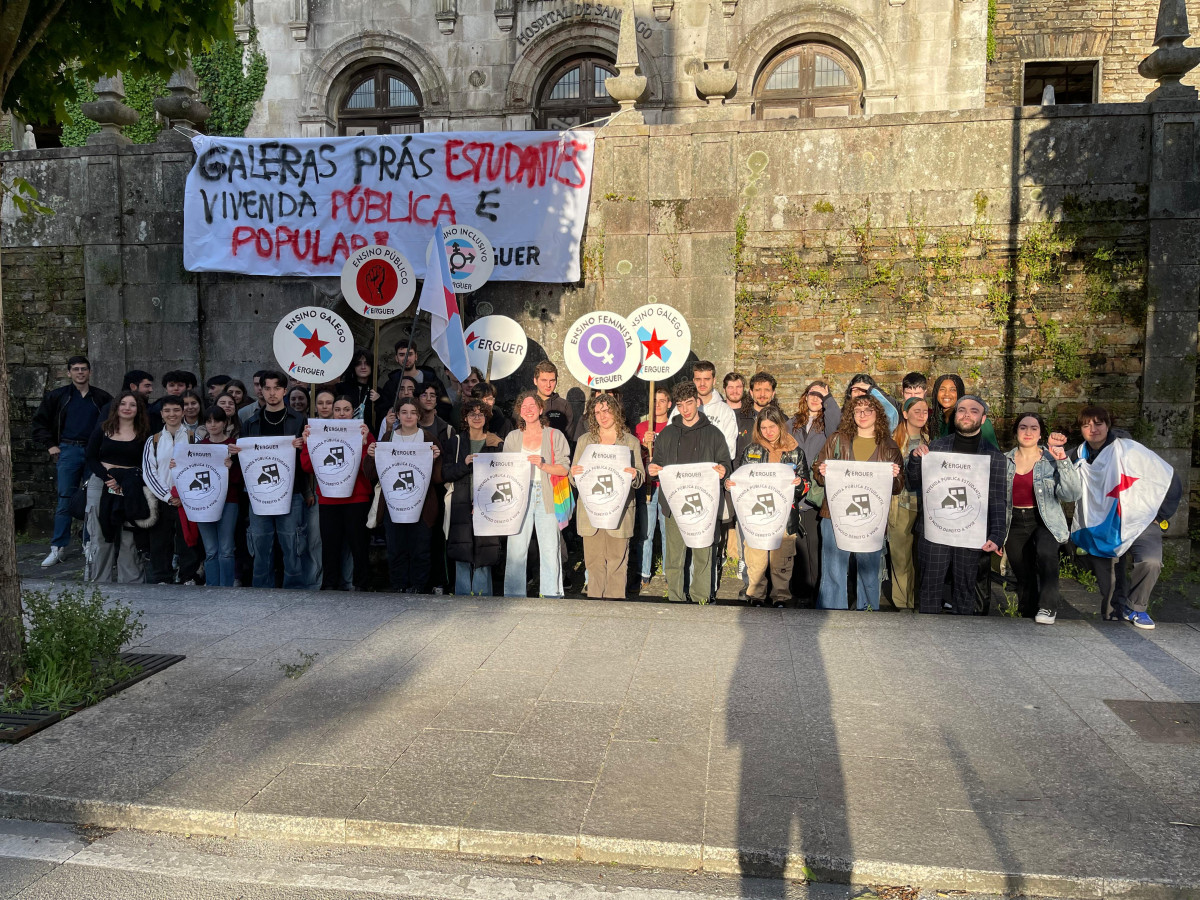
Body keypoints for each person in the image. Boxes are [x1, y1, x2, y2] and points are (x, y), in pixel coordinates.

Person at [1069, 405, 1182, 629]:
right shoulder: (1076, 455)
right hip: (1101, 526)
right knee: (1111, 588)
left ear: (1108, 425)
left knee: (1151, 561)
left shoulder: (1131, 451)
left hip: (1140, 520)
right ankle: (1114, 626)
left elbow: (1168, 477)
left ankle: (1136, 607)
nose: (1093, 429)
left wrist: (1160, 515)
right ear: (1080, 429)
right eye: (1086, 425)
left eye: (1098, 423)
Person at [907, 395, 1008, 616]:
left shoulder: (994, 457)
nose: (966, 414)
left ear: (983, 419)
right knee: (929, 590)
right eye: (961, 410)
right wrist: (915, 459)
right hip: (935, 531)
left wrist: (997, 534)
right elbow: (914, 482)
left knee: (965, 592)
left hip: (971, 532)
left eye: (974, 411)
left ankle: (963, 636)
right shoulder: (935, 447)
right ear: (955, 416)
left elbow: (998, 498)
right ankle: (927, 632)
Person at [813, 393, 904, 610]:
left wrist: (895, 476)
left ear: (877, 414)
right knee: (834, 568)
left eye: (868, 410)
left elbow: (897, 487)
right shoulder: (837, 439)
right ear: (851, 415)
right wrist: (821, 471)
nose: (862, 415)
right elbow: (818, 471)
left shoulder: (889, 446)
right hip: (834, 514)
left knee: (869, 569)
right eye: (857, 411)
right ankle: (832, 612)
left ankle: (868, 611)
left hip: (871, 518)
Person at [648, 382, 732, 604]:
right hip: (673, 505)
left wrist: (723, 470)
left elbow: (725, 462)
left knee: (703, 554)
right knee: (674, 556)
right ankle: (675, 598)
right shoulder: (667, 434)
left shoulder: (714, 433)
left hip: (704, 506)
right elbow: (657, 463)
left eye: (689, 403)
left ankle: (701, 598)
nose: (685, 409)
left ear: (697, 402)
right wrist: (652, 469)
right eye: (680, 405)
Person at [32, 355, 113, 567]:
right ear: (69, 373)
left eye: (83, 369)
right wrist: (50, 444)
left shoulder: (102, 397)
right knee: (65, 498)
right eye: (76, 369)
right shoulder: (57, 396)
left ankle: (89, 544)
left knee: (92, 499)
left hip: (94, 453)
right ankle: (58, 547)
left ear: (90, 372)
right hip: (68, 450)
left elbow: (113, 424)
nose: (80, 372)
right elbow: (39, 422)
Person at [725, 406, 810, 608]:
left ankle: (781, 597)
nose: (768, 432)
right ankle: (756, 595)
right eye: (763, 428)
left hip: (785, 516)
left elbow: (806, 484)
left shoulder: (796, 451)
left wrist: (800, 484)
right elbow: (740, 479)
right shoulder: (751, 450)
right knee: (756, 559)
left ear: (780, 426)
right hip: (757, 516)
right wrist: (730, 484)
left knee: (781, 560)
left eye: (772, 427)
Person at [1004, 413, 1080, 624]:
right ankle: (1027, 612)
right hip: (1014, 520)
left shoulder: (1050, 460)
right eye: (1023, 427)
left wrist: (1062, 460)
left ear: (1040, 434)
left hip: (1044, 519)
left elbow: (1071, 494)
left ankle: (1048, 606)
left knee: (1046, 554)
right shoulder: (1004, 460)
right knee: (1022, 571)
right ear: (1016, 432)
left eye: (1034, 428)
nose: (1028, 432)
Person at [569, 393, 645, 599]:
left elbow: (640, 476)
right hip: (591, 512)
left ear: (615, 411)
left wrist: (635, 474)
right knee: (593, 563)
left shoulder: (630, 442)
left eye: (606, 410)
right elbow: (573, 477)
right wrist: (573, 474)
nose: (602, 416)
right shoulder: (585, 441)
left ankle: (614, 606)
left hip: (620, 513)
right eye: (597, 412)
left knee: (617, 562)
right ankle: (595, 604)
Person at [242, 370, 308, 589]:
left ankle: (294, 591)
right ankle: (262, 591)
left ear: (284, 391)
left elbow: (309, 458)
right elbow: (245, 459)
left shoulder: (299, 420)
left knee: (292, 544)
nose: (272, 393)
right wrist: (234, 453)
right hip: (259, 494)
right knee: (261, 545)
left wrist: (303, 447)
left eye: (276, 388)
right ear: (260, 390)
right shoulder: (251, 422)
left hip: (291, 491)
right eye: (267, 388)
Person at [301, 396, 376, 591]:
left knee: (359, 546)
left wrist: (364, 443)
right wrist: (308, 443)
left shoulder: (364, 433)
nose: (342, 413)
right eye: (338, 409)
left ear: (353, 412)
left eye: (346, 409)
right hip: (328, 499)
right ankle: (329, 585)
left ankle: (362, 585)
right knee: (330, 546)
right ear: (332, 412)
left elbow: (369, 470)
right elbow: (308, 467)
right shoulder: (318, 433)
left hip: (357, 498)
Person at [371, 397, 444, 592]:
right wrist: (371, 456)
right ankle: (399, 586)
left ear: (419, 415)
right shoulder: (388, 438)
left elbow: (438, 478)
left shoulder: (428, 439)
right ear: (398, 415)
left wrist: (436, 459)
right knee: (396, 549)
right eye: (404, 412)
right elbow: (372, 473)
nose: (409, 416)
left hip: (422, 505)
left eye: (413, 412)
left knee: (421, 549)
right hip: (393, 504)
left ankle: (419, 587)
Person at [503, 391, 571, 598]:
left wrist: (543, 465)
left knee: (550, 548)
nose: (528, 410)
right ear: (519, 411)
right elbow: (505, 470)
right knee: (515, 549)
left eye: (532, 405)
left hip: (547, 494)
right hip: (519, 496)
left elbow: (564, 469)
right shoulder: (513, 437)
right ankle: (513, 596)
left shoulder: (554, 435)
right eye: (524, 406)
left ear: (541, 409)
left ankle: (552, 595)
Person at [85, 392, 150, 583]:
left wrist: (128, 480)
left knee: (129, 533)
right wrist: (107, 478)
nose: (127, 408)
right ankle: (99, 581)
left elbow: (147, 462)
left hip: (130, 486)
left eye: (132, 405)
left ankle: (131, 581)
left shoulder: (144, 433)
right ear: (116, 406)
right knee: (100, 534)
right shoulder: (103, 429)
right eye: (123, 404)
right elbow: (90, 457)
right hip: (102, 482)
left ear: (138, 409)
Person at [442, 399, 503, 595]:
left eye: (480, 414)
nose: (476, 418)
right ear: (465, 418)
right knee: (462, 552)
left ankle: (483, 597)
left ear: (486, 417)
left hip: (487, 505)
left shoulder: (496, 442)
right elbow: (445, 473)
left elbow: (503, 475)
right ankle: (462, 597)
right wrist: (464, 464)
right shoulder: (456, 442)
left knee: (485, 553)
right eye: (472, 414)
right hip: (461, 503)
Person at [788, 380, 841, 604]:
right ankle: (799, 591)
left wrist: (829, 400)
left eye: (821, 396)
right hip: (794, 490)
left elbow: (836, 422)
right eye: (812, 393)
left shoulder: (828, 425)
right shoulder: (792, 423)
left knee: (814, 545)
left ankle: (815, 590)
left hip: (815, 493)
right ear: (805, 395)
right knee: (798, 545)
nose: (815, 398)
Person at [142, 396, 199, 585]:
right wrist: (167, 496)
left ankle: (188, 576)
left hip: (187, 499)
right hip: (163, 499)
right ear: (161, 414)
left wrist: (184, 495)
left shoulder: (194, 438)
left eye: (176, 410)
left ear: (182, 412)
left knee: (188, 540)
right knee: (160, 541)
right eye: (167, 410)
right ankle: (162, 577)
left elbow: (200, 468)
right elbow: (149, 472)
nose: (171, 414)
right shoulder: (153, 441)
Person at [887, 397, 931, 610]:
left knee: (920, 559)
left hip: (924, 507)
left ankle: (917, 602)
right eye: (916, 411)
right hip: (900, 506)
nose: (922, 415)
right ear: (905, 414)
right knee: (901, 559)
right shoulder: (891, 441)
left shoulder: (930, 441)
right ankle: (902, 604)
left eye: (925, 411)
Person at [190, 406, 242, 587]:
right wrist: (176, 465)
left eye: (217, 420)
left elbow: (241, 480)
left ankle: (226, 588)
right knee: (211, 550)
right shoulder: (198, 447)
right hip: (204, 502)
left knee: (226, 549)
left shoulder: (234, 445)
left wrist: (231, 466)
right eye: (209, 421)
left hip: (229, 500)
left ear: (225, 423)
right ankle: (212, 588)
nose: (213, 425)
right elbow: (189, 472)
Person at [634, 387, 671, 586]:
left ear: (669, 404)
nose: (658, 405)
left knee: (667, 531)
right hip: (648, 485)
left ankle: (668, 572)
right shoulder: (641, 427)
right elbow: (634, 455)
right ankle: (643, 572)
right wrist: (643, 443)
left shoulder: (673, 426)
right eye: (654, 401)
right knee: (646, 532)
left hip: (666, 486)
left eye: (662, 401)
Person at [378, 340, 447, 421]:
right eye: (402, 355)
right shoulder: (392, 383)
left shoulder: (431, 379)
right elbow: (383, 409)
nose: (406, 358)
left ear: (416, 356)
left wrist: (434, 412)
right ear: (396, 358)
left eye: (410, 354)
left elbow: (445, 405)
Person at [931, 374, 997, 444]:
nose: (946, 394)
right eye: (942, 389)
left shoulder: (977, 421)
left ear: (959, 392)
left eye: (952, 390)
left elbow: (992, 449)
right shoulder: (934, 421)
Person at [339, 347, 381, 433]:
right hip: (344, 432)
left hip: (369, 435)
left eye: (367, 363)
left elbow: (381, 418)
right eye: (358, 364)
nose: (363, 367)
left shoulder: (378, 391)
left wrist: (379, 401)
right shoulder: (341, 388)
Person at [532, 359, 574, 437]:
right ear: (535, 381)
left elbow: (568, 437)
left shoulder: (564, 405)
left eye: (552, 380)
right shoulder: (525, 404)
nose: (548, 385)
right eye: (544, 380)